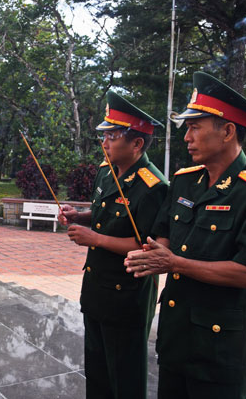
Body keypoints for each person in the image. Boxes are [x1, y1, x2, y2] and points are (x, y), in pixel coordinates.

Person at [124, 71, 246, 399]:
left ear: (227, 131)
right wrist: (154, 255)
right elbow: (165, 233)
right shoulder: (185, 181)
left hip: (222, 350)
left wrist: (174, 262)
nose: (187, 137)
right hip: (177, 339)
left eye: (195, 127)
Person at [60, 91, 167, 399]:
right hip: (97, 287)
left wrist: (94, 239)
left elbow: (144, 246)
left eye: (113, 136)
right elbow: (105, 211)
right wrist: (80, 214)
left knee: (125, 377)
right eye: (104, 135)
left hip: (126, 295)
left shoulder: (153, 186)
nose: (104, 142)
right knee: (97, 371)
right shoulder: (107, 172)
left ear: (137, 143)